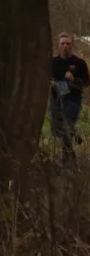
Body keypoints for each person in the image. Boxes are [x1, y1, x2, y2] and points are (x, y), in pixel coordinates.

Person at [51, 32, 89, 164]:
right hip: (56, 100)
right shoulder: (52, 63)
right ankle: (71, 151)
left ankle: (66, 161)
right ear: (58, 46)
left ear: (72, 45)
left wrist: (74, 79)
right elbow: (47, 81)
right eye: (62, 44)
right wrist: (55, 84)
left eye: (68, 43)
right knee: (58, 130)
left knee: (67, 124)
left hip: (73, 99)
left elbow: (86, 83)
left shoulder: (79, 63)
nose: (65, 46)